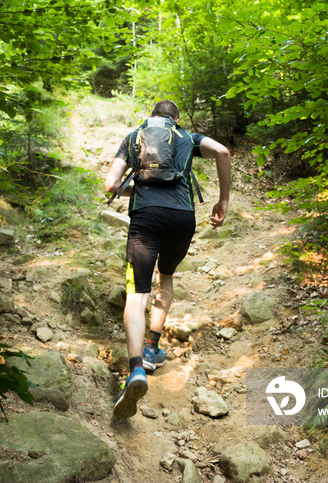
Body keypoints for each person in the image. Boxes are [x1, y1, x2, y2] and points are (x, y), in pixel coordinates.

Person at [104, 100, 231, 418]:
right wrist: (223, 201)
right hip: (182, 217)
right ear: (176, 119)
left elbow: (111, 184)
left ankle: (136, 369)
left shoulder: (133, 137)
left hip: (146, 216)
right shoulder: (188, 137)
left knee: (137, 294)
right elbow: (224, 152)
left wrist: (141, 192)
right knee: (168, 275)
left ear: (150, 117)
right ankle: (152, 347)